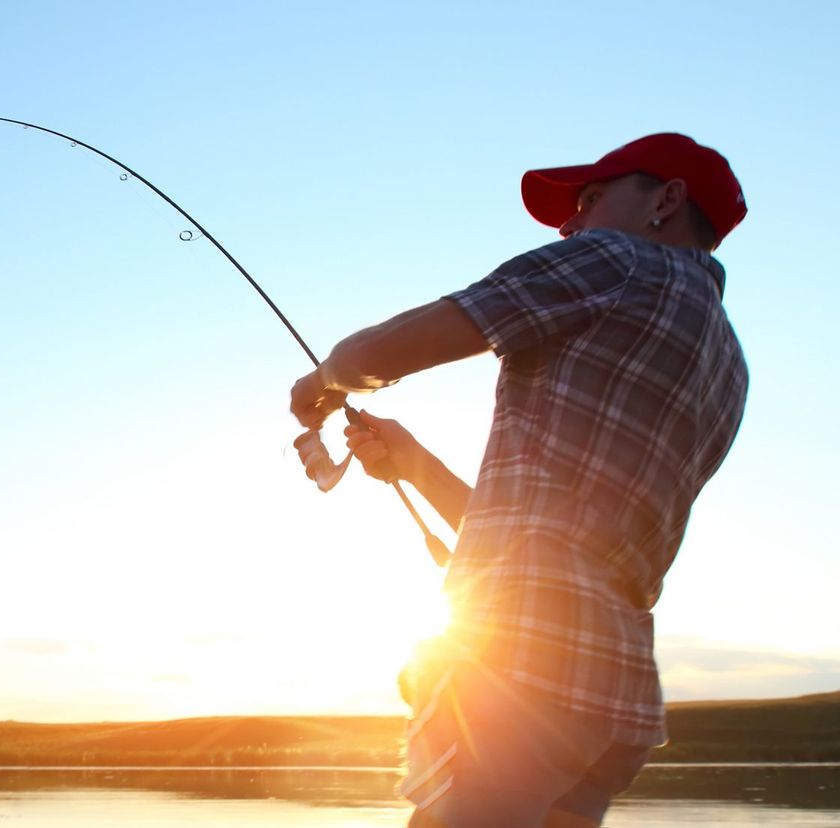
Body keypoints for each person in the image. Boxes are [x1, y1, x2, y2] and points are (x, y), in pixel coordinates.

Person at [287, 133, 749, 827]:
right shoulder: (730, 364)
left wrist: (323, 382)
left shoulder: (616, 261)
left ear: (668, 199)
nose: (572, 224)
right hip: (613, 696)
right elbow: (553, 537)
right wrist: (413, 463)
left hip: (520, 669)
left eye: (591, 199)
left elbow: (375, 354)